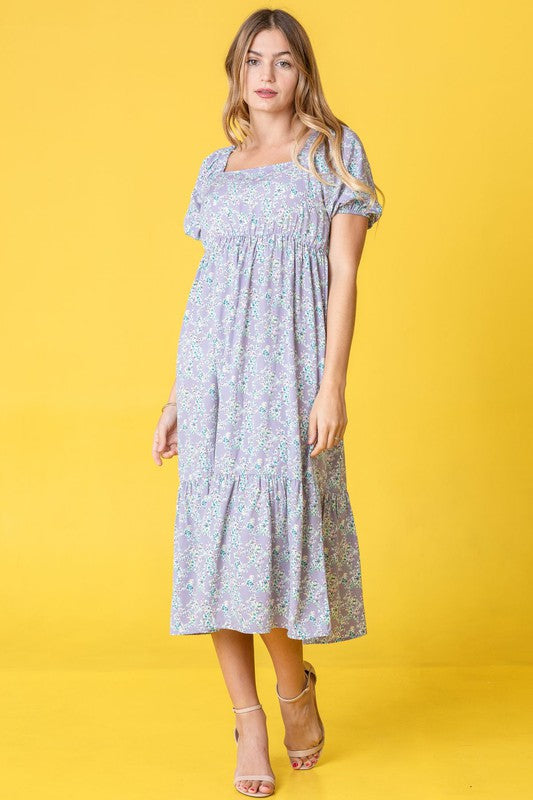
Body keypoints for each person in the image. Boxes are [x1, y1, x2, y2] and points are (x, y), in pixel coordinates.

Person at [152, 8, 384, 798]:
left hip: (287, 379)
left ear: (302, 74)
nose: (267, 75)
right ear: (235, 73)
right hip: (214, 380)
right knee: (217, 552)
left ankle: (295, 691)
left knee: (273, 551)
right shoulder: (214, 171)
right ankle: (248, 718)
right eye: (254, 60)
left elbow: (345, 277)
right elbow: (206, 294)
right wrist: (179, 395)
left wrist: (331, 385)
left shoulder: (333, 154)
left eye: (283, 62)